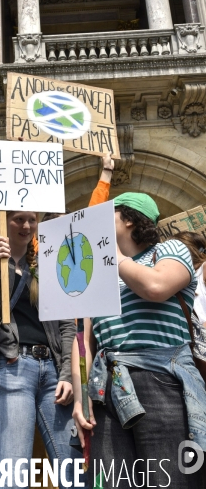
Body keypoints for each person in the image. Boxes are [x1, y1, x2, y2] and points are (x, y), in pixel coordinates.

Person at [0, 159, 115, 489]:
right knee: (12, 474)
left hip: (52, 371)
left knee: (74, 471)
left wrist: (67, 373)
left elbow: (68, 326)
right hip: (11, 368)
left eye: (31, 220)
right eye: (18, 219)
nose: (25, 225)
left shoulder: (48, 263)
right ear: (3, 221)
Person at [72, 194, 206, 489]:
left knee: (169, 480)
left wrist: (114, 257)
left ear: (129, 218)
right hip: (105, 388)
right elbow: (83, 339)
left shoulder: (170, 250)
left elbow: (156, 287)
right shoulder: (97, 272)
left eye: (108, 214)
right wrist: (82, 398)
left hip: (159, 380)